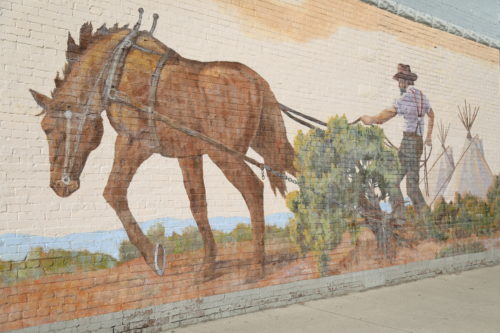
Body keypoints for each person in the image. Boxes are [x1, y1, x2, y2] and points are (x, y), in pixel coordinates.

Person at [359, 64, 434, 220]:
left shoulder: (405, 97)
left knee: (392, 181)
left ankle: (399, 217)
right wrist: (428, 136)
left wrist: (371, 119)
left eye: (399, 81)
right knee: (412, 187)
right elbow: (432, 115)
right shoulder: (422, 96)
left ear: (404, 81)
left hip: (408, 143)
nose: (399, 84)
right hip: (418, 143)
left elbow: (388, 114)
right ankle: (426, 219)